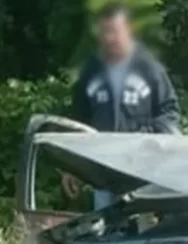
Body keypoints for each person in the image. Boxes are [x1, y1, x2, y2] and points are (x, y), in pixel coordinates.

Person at [62, 2, 181, 210]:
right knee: (107, 235)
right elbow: (78, 122)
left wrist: (144, 137)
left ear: (129, 30)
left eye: (114, 32)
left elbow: (170, 113)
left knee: (143, 234)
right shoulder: (91, 72)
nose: (109, 39)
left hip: (143, 174)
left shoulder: (150, 69)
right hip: (104, 176)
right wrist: (72, 167)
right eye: (105, 33)